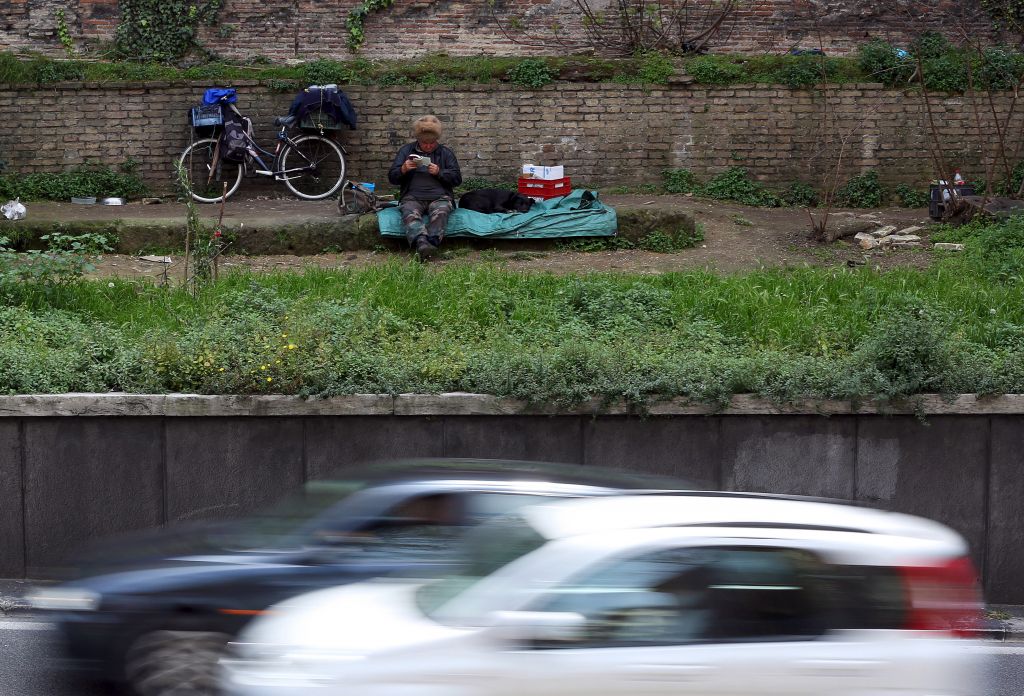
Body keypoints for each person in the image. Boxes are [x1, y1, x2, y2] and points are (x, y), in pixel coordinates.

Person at [388, 115, 462, 258]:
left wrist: (440, 172)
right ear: (418, 140)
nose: (428, 146)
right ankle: (421, 243)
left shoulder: (445, 153)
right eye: (424, 143)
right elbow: (392, 178)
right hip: (412, 197)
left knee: (441, 212)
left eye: (432, 143)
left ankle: (432, 243)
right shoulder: (406, 150)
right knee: (409, 211)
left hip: (440, 197)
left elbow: (457, 179)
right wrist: (402, 169)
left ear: (437, 140)